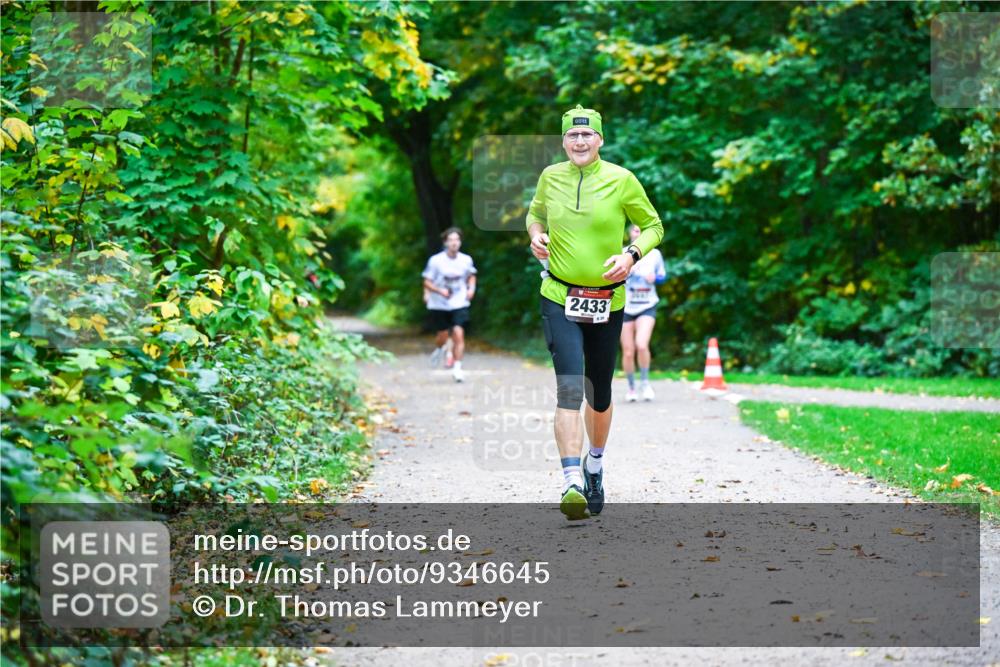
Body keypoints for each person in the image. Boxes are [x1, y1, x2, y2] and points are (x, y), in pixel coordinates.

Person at [526, 105, 663, 520]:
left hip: (608, 299)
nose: (580, 142)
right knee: (569, 386)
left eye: (587, 136)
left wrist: (632, 254)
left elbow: (654, 225)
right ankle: (571, 481)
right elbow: (534, 215)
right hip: (559, 294)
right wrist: (537, 235)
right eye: (572, 136)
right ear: (563, 142)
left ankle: (595, 465)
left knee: (598, 392)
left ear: (600, 140)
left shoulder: (622, 180)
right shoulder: (551, 177)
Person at [423, 227, 477, 382]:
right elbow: (427, 281)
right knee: (443, 335)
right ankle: (440, 348)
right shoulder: (435, 261)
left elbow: (471, 276)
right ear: (445, 242)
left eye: (457, 240)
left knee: (459, 334)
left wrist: (471, 289)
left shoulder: (466, 260)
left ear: (460, 242)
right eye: (451, 240)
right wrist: (439, 291)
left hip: (459, 302)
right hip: (439, 303)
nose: (454, 243)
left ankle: (457, 368)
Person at [621, 223, 666, 402]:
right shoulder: (623, 253)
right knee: (628, 351)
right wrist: (627, 273)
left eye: (641, 231)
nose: (637, 234)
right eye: (635, 230)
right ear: (630, 233)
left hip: (647, 305)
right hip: (626, 307)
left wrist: (655, 278)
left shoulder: (654, 254)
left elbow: (663, 276)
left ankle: (645, 383)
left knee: (641, 345)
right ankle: (631, 388)